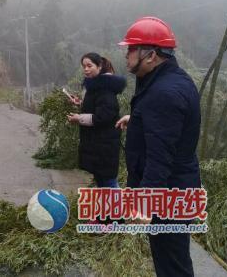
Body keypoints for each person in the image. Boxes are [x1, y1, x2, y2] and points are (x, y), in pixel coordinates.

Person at [115, 16, 201, 277]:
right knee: (172, 258)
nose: (126, 54)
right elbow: (169, 127)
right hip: (178, 187)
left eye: (131, 49)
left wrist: (145, 203)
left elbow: (159, 158)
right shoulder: (171, 80)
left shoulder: (163, 93)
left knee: (172, 265)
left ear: (151, 55)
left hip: (168, 194)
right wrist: (139, 120)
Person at [67, 53, 126, 189]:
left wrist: (79, 118)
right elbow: (95, 107)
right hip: (98, 145)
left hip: (105, 146)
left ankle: (120, 209)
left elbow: (103, 116)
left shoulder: (105, 89)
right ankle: (108, 209)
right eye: (84, 66)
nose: (86, 69)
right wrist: (79, 103)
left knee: (109, 182)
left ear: (99, 67)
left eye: (89, 66)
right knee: (102, 181)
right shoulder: (95, 87)